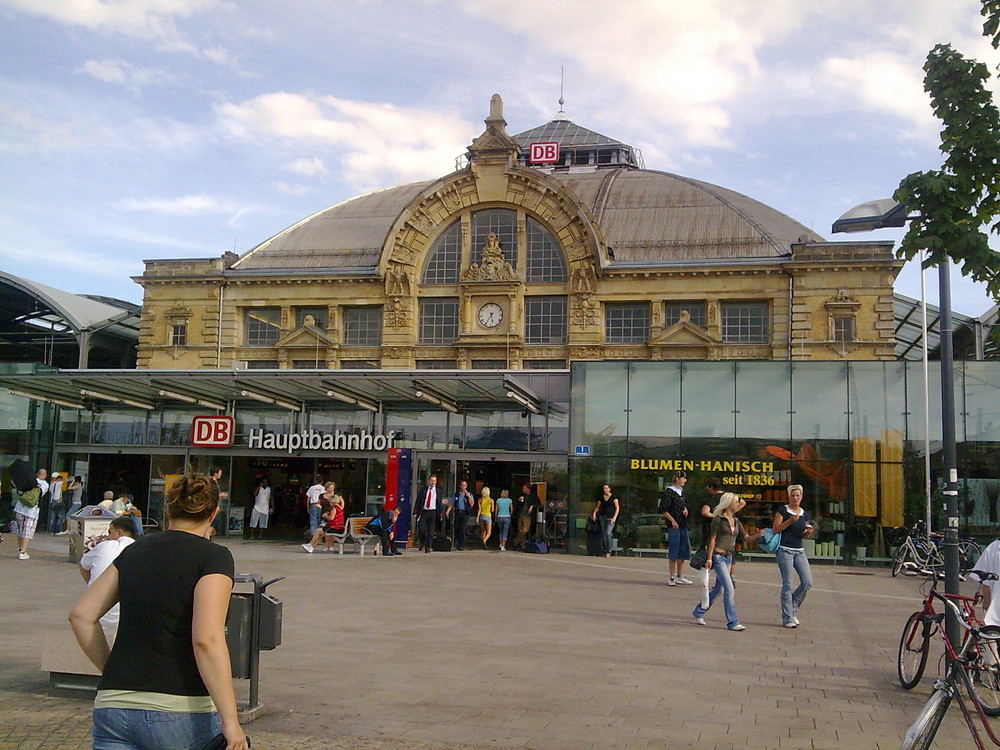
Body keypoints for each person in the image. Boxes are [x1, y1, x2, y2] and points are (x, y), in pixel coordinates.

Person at [69, 472, 247, 750]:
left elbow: (81, 615)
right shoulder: (214, 557)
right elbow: (206, 639)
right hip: (179, 708)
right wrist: (231, 720)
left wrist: (111, 671)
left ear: (168, 509)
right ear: (213, 513)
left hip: (113, 705)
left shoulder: (134, 551)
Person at [693, 492, 761, 631]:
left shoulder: (736, 521)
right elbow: (712, 540)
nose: (738, 504)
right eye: (736, 502)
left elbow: (746, 537)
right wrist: (709, 558)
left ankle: (699, 611)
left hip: (729, 556)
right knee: (729, 588)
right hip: (718, 557)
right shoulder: (718, 520)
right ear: (728, 503)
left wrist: (757, 536)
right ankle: (733, 622)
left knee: (719, 589)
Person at [79, 517, 135, 634]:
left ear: (119, 533)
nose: (108, 536)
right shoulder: (141, 549)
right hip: (130, 618)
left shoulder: (105, 546)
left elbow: (83, 566)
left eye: (110, 532)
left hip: (97, 616)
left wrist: (96, 586)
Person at [773, 484, 814, 629]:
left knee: (807, 582)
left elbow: (801, 532)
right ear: (789, 496)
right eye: (793, 495)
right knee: (788, 584)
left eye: (798, 495)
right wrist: (790, 520)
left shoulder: (804, 513)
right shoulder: (783, 510)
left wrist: (807, 532)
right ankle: (787, 618)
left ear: (801, 497)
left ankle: (792, 609)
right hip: (785, 550)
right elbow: (776, 529)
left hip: (799, 550)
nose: (795, 498)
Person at [659, 471, 693, 585]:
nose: (685, 480)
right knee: (674, 550)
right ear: (677, 479)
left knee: (683, 550)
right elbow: (663, 509)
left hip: (682, 524)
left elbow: (683, 504)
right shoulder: (669, 492)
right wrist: (672, 520)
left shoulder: (682, 491)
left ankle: (680, 575)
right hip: (674, 525)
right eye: (683, 478)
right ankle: (671, 577)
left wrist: (685, 509)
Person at [698, 477, 724, 606]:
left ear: (711, 487)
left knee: (710, 549)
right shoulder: (728, 497)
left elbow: (704, 512)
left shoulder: (711, 499)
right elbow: (742, 503)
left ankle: (707, 573)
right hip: (725, 535)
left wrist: (715, 517)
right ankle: (730, 577)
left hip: (711, 531)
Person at [13, 468, 46, 560]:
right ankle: (23, 552)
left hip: (20, 507)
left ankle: (20, 549)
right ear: (45, 476)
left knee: (20, 530)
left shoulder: (26, 481)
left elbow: (19, 492)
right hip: (31, 510)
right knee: (27, 531)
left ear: (36, 474)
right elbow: (40, 496)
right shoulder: (44, 485)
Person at [974, 540, 1000, 626]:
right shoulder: (994, 548)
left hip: (994, 616)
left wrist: (987, 604)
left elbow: (985, 581)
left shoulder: (993, 547)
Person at [590, 483, 620, 558]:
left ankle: (608, 551)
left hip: (610, 517)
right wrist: (594, 513)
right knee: (604, 534)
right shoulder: (601, 497)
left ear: (610, 489)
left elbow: (617, 508)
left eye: (606, 488)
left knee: (608, 533)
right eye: (604, 488)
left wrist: (614, 517)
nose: (605, 490)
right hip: (602, 517)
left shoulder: (614, 497)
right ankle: (604, 550)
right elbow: (598, 507)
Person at [414, 474, 441, 553]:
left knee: (431, 531)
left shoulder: (438, 491)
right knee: (421, 528)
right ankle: (423, 542)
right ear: (429, 481)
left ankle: (428, 546)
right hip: (424, 511)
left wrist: (440, 514)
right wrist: (415, 512)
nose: (433, 482)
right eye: (432, 480)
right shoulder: (423, 490)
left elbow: (439, 503)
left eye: (434, 481)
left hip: (433, 512)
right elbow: (418, 501)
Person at [446, 480, 474, 551]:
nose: (463, 487)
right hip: (458, 512)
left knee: (463, 529)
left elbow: (472, 504)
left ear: (466, 486)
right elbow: (452, 503)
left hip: (465, 513)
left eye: (464, 485)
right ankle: (457, 542)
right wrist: (448, 511)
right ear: (460, 486)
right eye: (462, 485)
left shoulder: (469, 494)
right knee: (456, 528)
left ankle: (461, 544)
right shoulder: (456, 494)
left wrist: (469, 497)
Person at [514, 483, 538, 550]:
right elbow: (517, 505)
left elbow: (537, 503)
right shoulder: (522, 495)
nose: (523, 490)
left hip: (527, 515)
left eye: (524, 488)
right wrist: (519, 501)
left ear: (528, 489)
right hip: (521, 514)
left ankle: (516, 541)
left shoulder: (533, 495)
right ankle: (523, 545)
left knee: (524, 530)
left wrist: (532, 506)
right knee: (520, 530)